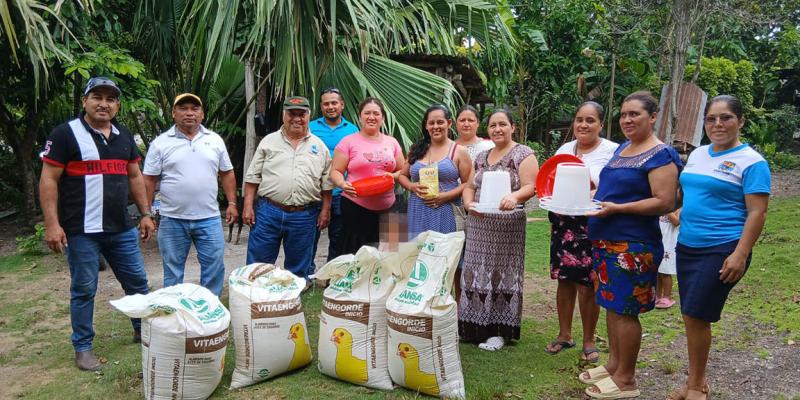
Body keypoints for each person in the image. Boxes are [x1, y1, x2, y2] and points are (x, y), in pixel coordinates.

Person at [38, 77, 154, 371]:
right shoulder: (65, 134)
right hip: (80, 231)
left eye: (111, 99)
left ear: (117, 105)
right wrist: (52, 225)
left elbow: (134, 177)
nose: (104, 103)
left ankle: (144, 331)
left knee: (137, 283)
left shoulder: (123, 135)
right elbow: (49, 179)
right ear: (85, 101)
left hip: (121, 228)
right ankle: (83, 347)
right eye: (97, 97)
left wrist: (145, 213)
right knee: (84, 288)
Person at [667, 95, 770, 400]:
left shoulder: (752, 162)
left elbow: (757, 212)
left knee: (698, 314)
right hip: (688, 245)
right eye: (711, 118)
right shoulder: (698, 154)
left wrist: (740, 254)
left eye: (725, 118)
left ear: (741, 121)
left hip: (722, 247)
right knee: (690, 313)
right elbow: (694, 195)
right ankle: (696, 381)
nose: (717, 124)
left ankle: (696, 386)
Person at [579, 91, 681, 399]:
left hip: (633, 244)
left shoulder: (661, 154)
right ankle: (613, 365)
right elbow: (616, 187)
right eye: (623, 114)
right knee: (611, 303)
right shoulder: (625, 148)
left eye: (635, 114)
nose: (627, 119)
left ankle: (626, 379)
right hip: (606, 239)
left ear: (652, 117)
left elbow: (664, 201)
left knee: (626, 310)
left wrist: (618, 209)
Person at [459, 109, 539, 351]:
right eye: (493, 125)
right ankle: (472, 327)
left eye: (502, 124)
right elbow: (470, 186)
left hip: (507, 226)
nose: (497, 129)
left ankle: (498, 331)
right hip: (479, 224)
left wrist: (514, 196)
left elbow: (531, 186)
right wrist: (468, 203)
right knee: (475, 273)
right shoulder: (482, 156)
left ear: (513, 127)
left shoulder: (523, 154)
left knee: (502, 274)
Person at [143, 93, 238, 297]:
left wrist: (232, 203)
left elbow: (227, 173)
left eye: (194, 109)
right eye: (183, 108)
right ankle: (174, 313)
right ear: (173, 113)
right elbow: (149, 179)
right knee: (173, 272)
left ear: (202, 114)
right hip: (172, 219)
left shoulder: (214, 140)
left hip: (209, 218)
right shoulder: (160, 143)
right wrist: (146, 213)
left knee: (213, 268)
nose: (189, 113)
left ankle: (210, 313)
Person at [546, 101, 618, 363]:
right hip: (564, 224)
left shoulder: (612, 151)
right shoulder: (565, 149)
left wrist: (590, 193)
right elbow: (551, 179)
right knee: (564, 280)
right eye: (579, 120)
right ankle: (564, 334)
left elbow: (615, 186)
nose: (583, 125)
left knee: (588, 284)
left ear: (600, 123)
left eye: (590, 120)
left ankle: (589, 339)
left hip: (592, 224)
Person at [243, 96, 333, 280]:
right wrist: (247, 206)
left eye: (302, 114)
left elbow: (326, 185)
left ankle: (291, 304)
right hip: (269, 211)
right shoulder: (268, 142)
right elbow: (252, 177)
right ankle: (254, 300)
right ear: (284, 115)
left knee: (298, 268)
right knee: (258, 266)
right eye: (292, 114)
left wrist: (325, 210)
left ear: (309, 116)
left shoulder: (319, 146)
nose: (297, 119)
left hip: (304, 215)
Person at [330, 97, 405, 254]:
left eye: (376, 113)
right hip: (355, 206)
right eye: (367, 113)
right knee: (355, 254)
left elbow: (403, 170)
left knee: (390, 253)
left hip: (388, 207)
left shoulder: (392, 142)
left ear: (382, 118)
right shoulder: (348, 142)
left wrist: (393, 177)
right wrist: (342, 184)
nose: (372, 117)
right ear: (360, 117)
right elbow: (335, 171)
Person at [397, 104, 471, 239]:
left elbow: (468, 184)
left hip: (446, 210)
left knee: (444, 252)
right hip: (418, 209)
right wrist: (412, 186)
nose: (435, 126)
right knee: (418, 252)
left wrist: (445, 196)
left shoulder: (459, 151)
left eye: (440, 122)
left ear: (449, 124)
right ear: (426, 126)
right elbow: (402, 175)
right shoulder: (416, 149)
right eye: (431, 123)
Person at [309, 87, 359, 268]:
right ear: (321, 106)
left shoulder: (352, 130)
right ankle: (307, 273)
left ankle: (333, 273)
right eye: (326, 103)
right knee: (310, 235)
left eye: (334, 103)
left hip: (340, 192)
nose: (330, 107)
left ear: (342, 105)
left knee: (338, 236)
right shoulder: (310, 127)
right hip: (314, 192)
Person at [655, 209, 680, 309]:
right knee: (657, 270)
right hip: (660, 240)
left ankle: (666, 297)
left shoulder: (680, 207)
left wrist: (667, 209)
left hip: (669, 243)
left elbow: (676, 222)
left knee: (665, 271)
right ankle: (657, 295)